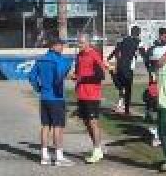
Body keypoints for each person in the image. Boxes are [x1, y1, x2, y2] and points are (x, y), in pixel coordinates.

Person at [29, 36, 74, 166]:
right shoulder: (59, 60)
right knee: (57, 127)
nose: (62, 47)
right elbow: (60, 75)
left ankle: (44, 156)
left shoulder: (41, 60)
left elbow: (32, 76)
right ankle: (58, 157)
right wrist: (67, 71)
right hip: (56, 98)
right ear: (53, 46)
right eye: (60, 45)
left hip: (44, 97)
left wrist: (38, 88)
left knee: (45, 126)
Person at [71, 34, 107, 163]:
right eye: (78, 42)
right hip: (81, 94)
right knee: (87, 123)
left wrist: (82, 78)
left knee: (93, 122)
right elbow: (78, 72)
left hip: (92, 94)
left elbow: (101, 75)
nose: (79, 45)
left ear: (88, 43)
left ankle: (97, 150)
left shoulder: (94, 55)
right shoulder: (79, 56)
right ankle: (97, 149)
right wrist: (75, 76)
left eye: (81, 42)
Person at [107, 26, 143, 115]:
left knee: (121, 85)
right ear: (138, 33)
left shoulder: (124, 40)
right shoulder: (138, 42)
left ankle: (120, 104)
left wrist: (109, 58)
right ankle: (126, 109)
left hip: (120, 65)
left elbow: (116, 50)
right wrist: (148, 62)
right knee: (128, 89)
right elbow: (143, 53)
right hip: (128, 68)